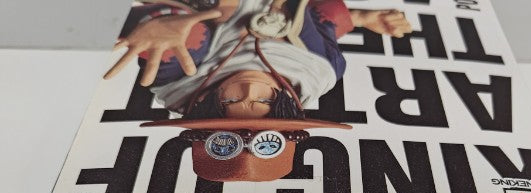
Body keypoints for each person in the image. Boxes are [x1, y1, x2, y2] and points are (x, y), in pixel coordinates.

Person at [104, 0, 412, 118]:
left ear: (206, 103)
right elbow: (322, 21)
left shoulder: (182, 77)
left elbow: (169, 43)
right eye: (264, 101)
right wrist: (359, 17)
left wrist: (158, 23)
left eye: (230, 101)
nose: (249, 89)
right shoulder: (321, 68)